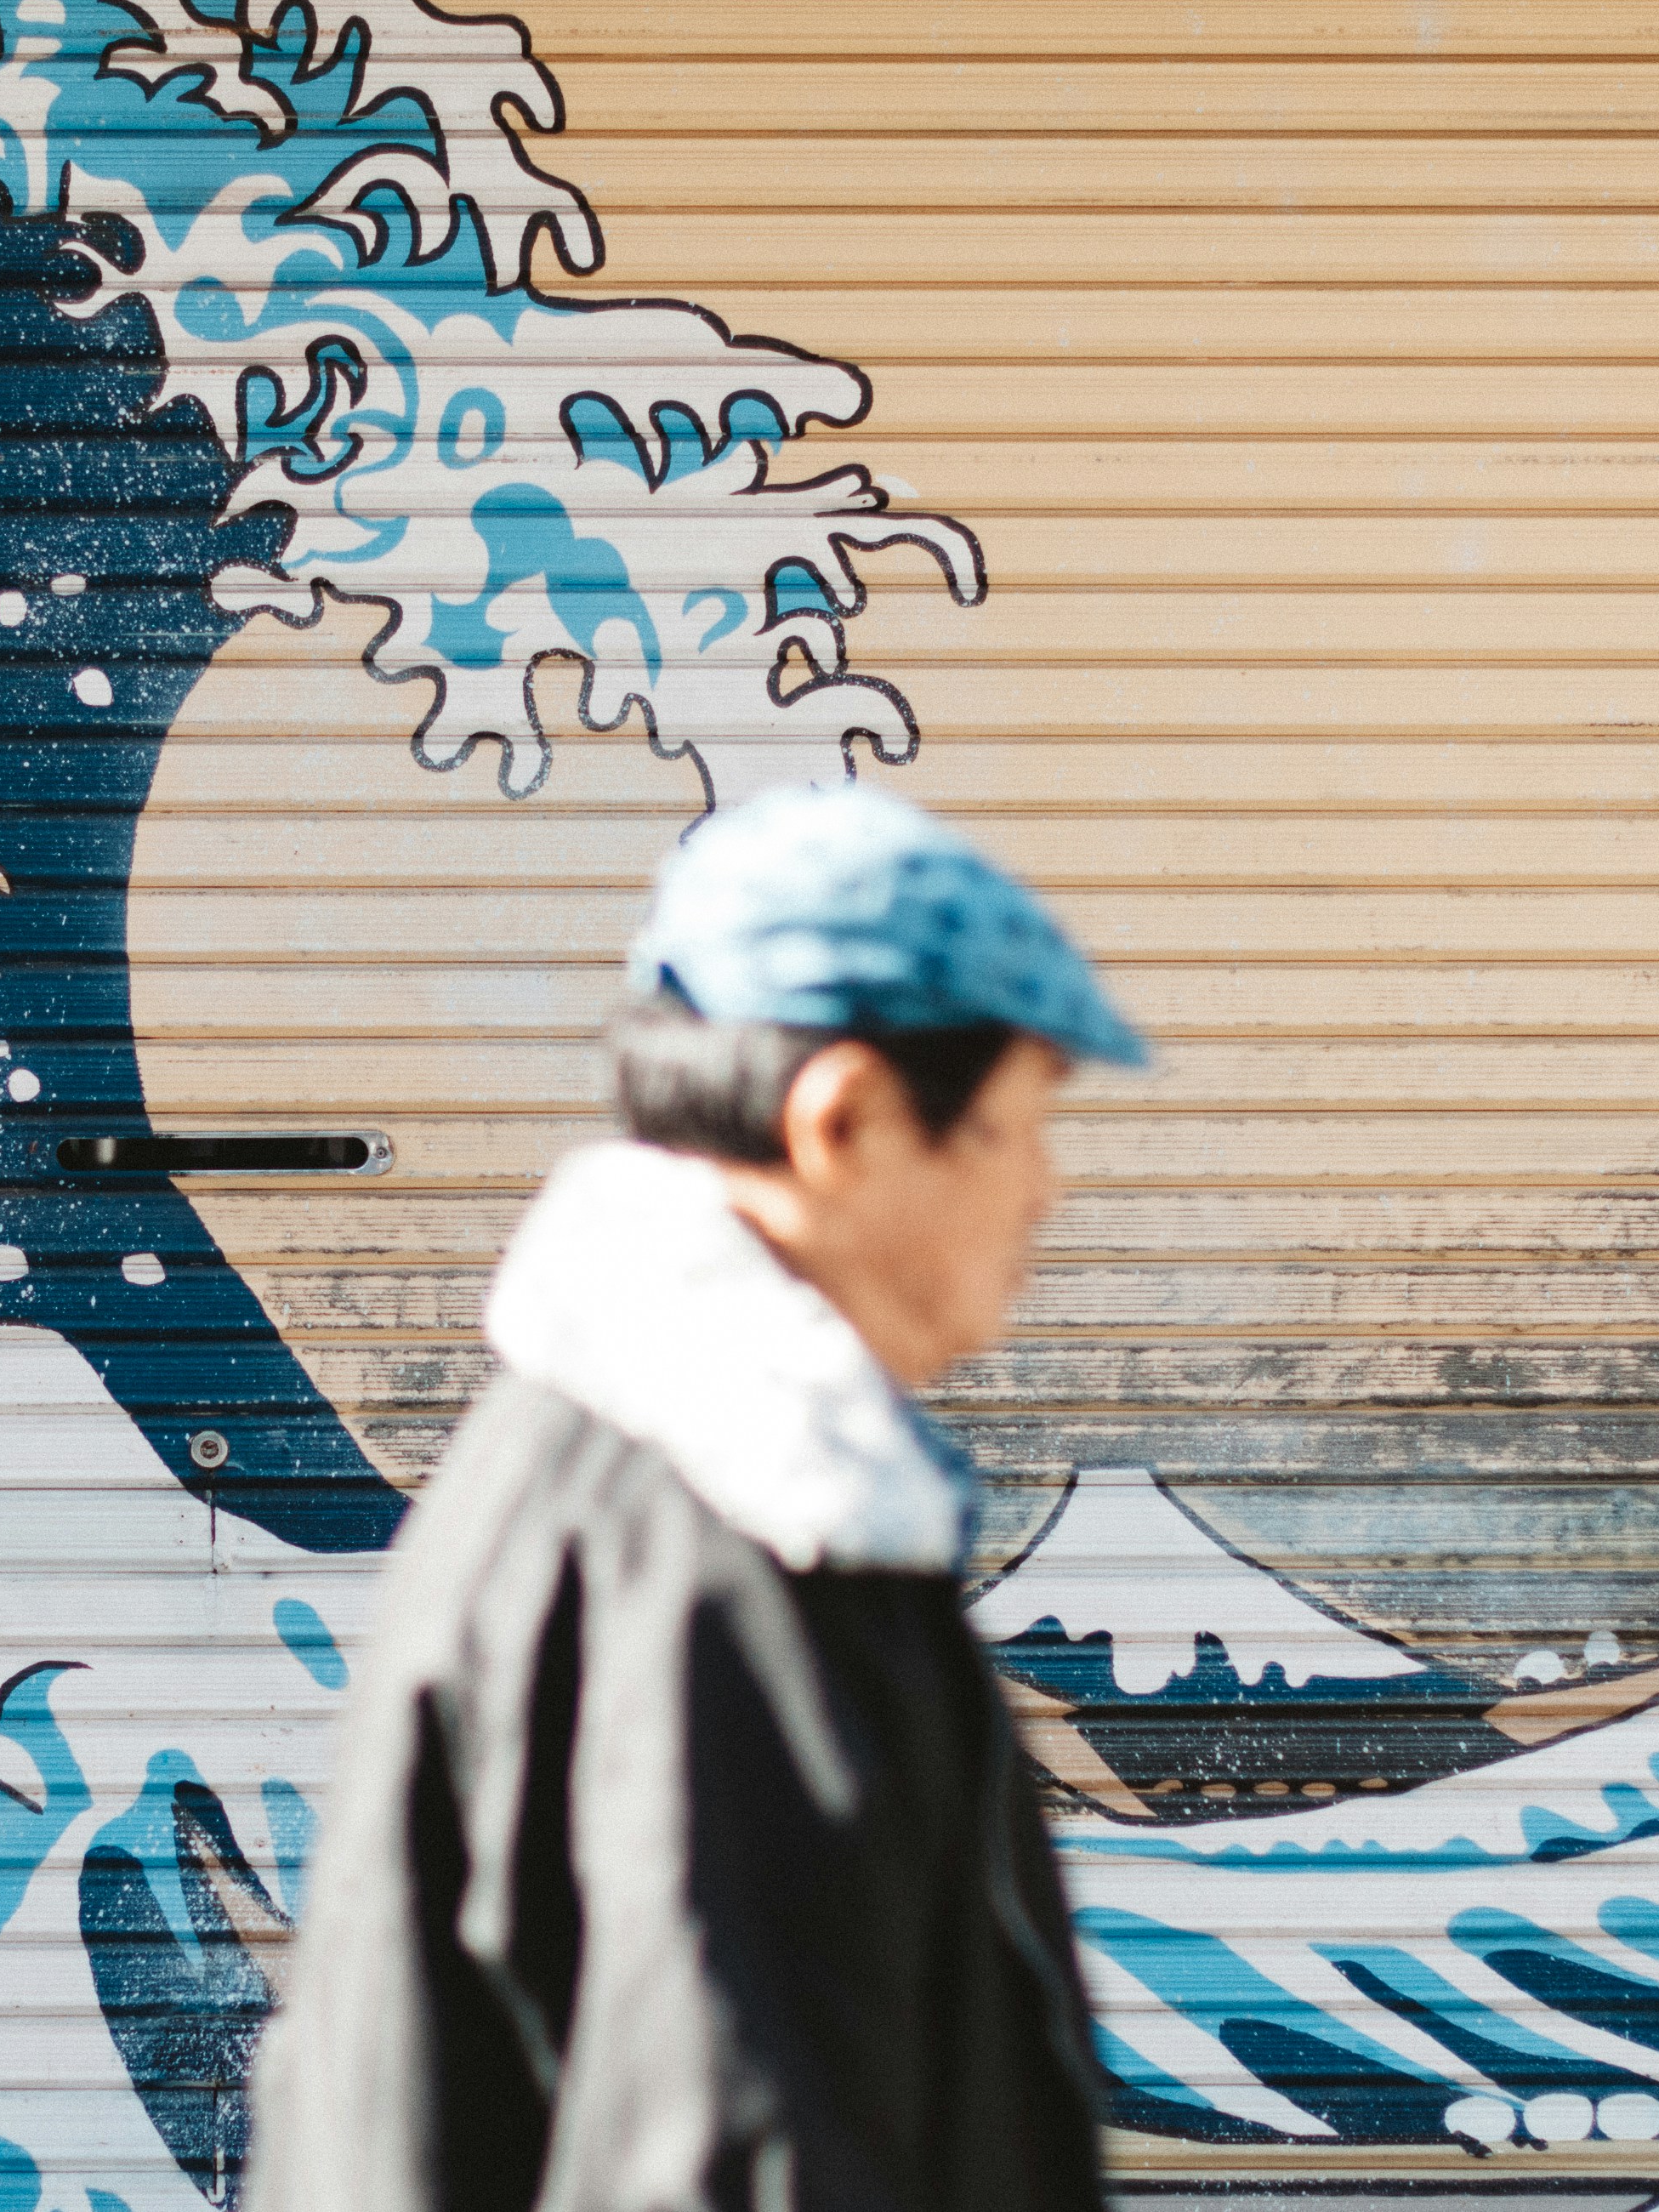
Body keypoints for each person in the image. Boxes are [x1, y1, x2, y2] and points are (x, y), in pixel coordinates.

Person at [245, 782, 1147, 2212]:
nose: (1046, 1191)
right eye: (1013, 1128)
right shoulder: (733, 1548)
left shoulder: (595, 1472)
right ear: (843, 1120)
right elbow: (739, 2147)